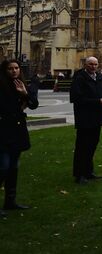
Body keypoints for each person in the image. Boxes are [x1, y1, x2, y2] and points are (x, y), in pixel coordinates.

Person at [0, 59, 38, 216]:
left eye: (16, 68)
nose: (14, 71)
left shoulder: (21, 85)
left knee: (13, 167)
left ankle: (10, 201)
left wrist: (25, 93)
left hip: (16, 131)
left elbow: (34, 104)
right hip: (2, 131)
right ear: (5, 70)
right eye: (10, 68)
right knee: (3, 167)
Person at [70, 56, 102, 184]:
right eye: (91, 64)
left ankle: (88, 171)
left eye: (95, 64)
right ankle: (79, 174)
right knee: (82, 146)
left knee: (92, 144)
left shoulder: (99, 77)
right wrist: (97, 101)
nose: (93, 67)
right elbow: (76, 98)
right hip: (84, 117)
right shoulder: (79, 78)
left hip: (97, 116)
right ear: (85, 65)